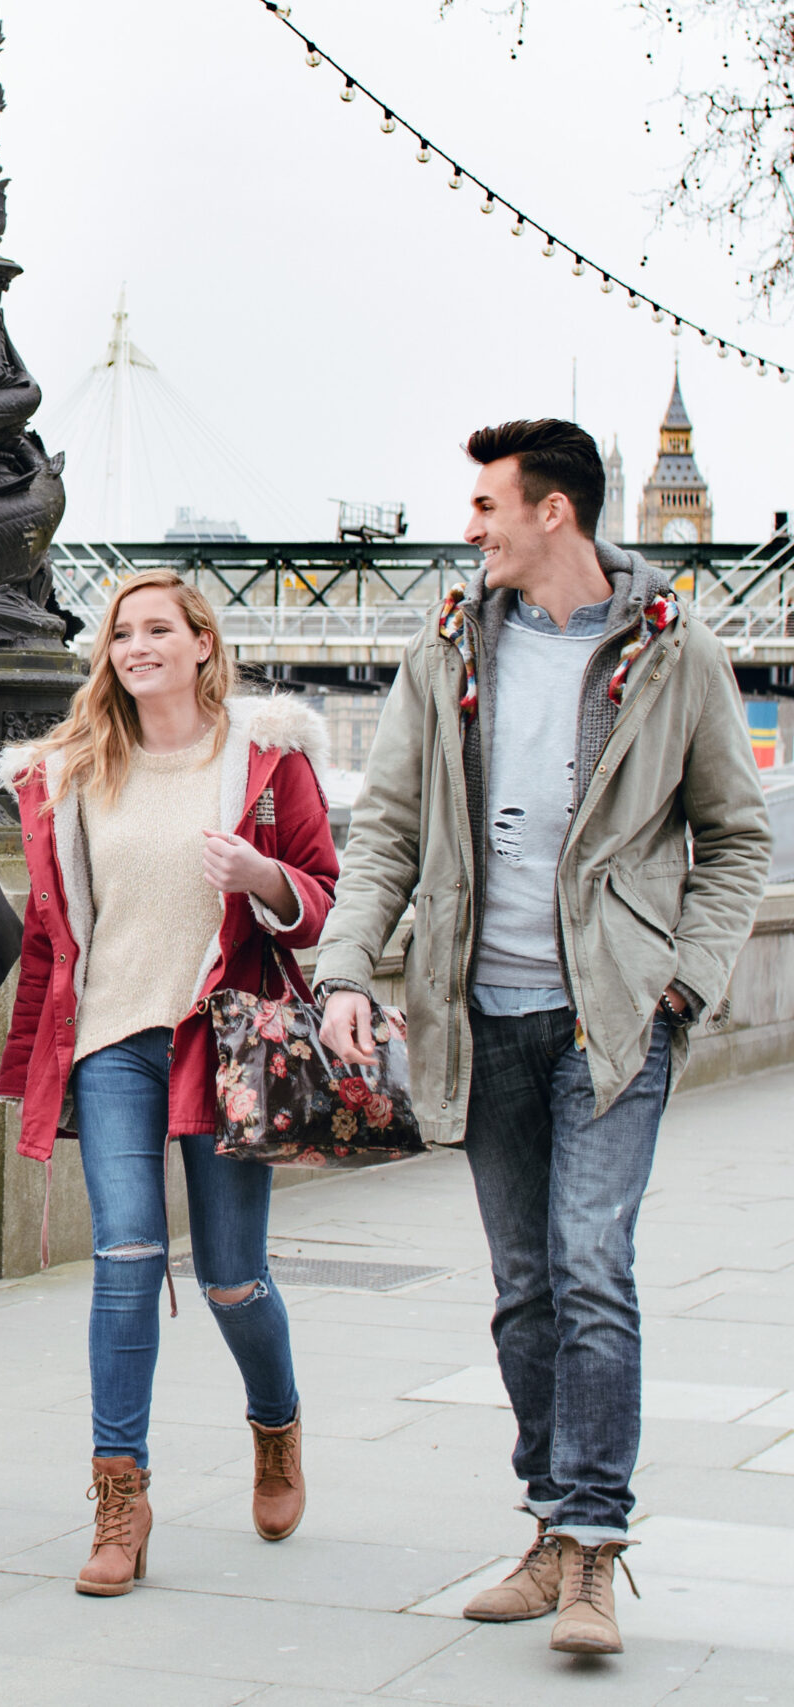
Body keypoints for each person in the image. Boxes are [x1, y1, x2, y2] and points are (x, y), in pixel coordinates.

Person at [316, 419, 768, 1656]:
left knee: (589, 1268)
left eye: (484, 505)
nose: (468, 528)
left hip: (613, 1024)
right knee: (523, 1293)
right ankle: (551, 1524)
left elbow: (736, 838)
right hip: (483, 1016)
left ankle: (593, 1554)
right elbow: (392, 830)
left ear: (552, 513)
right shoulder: (450, 646)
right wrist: (347, 962)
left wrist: (683, 979)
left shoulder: (676, 658)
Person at [0, 570, 341, 1597]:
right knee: (125, 1258)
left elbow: (324, 899)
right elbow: (48, 936)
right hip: (111, 1041)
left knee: (233, 1277)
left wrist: (262, 878)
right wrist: (29, 1058)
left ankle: (273, 1426)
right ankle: (119, 1498)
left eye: (157, 629)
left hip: (223, 1037)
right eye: (120, 634)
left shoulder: (268, 762)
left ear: (199, 643)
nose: (136, 646)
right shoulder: (67, 774)